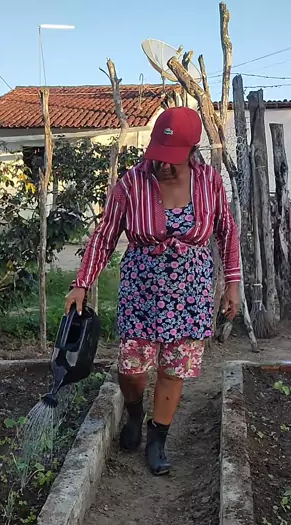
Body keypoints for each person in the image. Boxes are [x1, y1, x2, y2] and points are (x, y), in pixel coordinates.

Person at [65, 106, 240, 476]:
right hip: (141, 292)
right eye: (159, 154)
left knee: (174, 369)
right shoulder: (132, 183)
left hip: (191, 292)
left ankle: (157, 438)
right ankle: (134, 411)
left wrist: (232, 283)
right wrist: (82, 283)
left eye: (172, 157)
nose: (163, 164)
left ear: (192, 152)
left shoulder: (209, 181)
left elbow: (226, 232)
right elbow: (105, 235)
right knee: (132, 369)